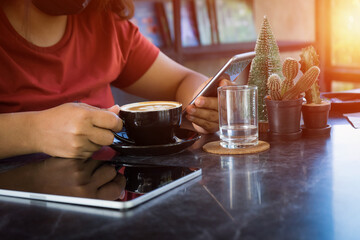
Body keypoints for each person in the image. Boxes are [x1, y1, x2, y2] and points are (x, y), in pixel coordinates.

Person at [0, 0, 227, 159]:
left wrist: (203, 103)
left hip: (112, 198)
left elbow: (182, 79)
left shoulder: (105, 25)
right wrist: (35, 132)